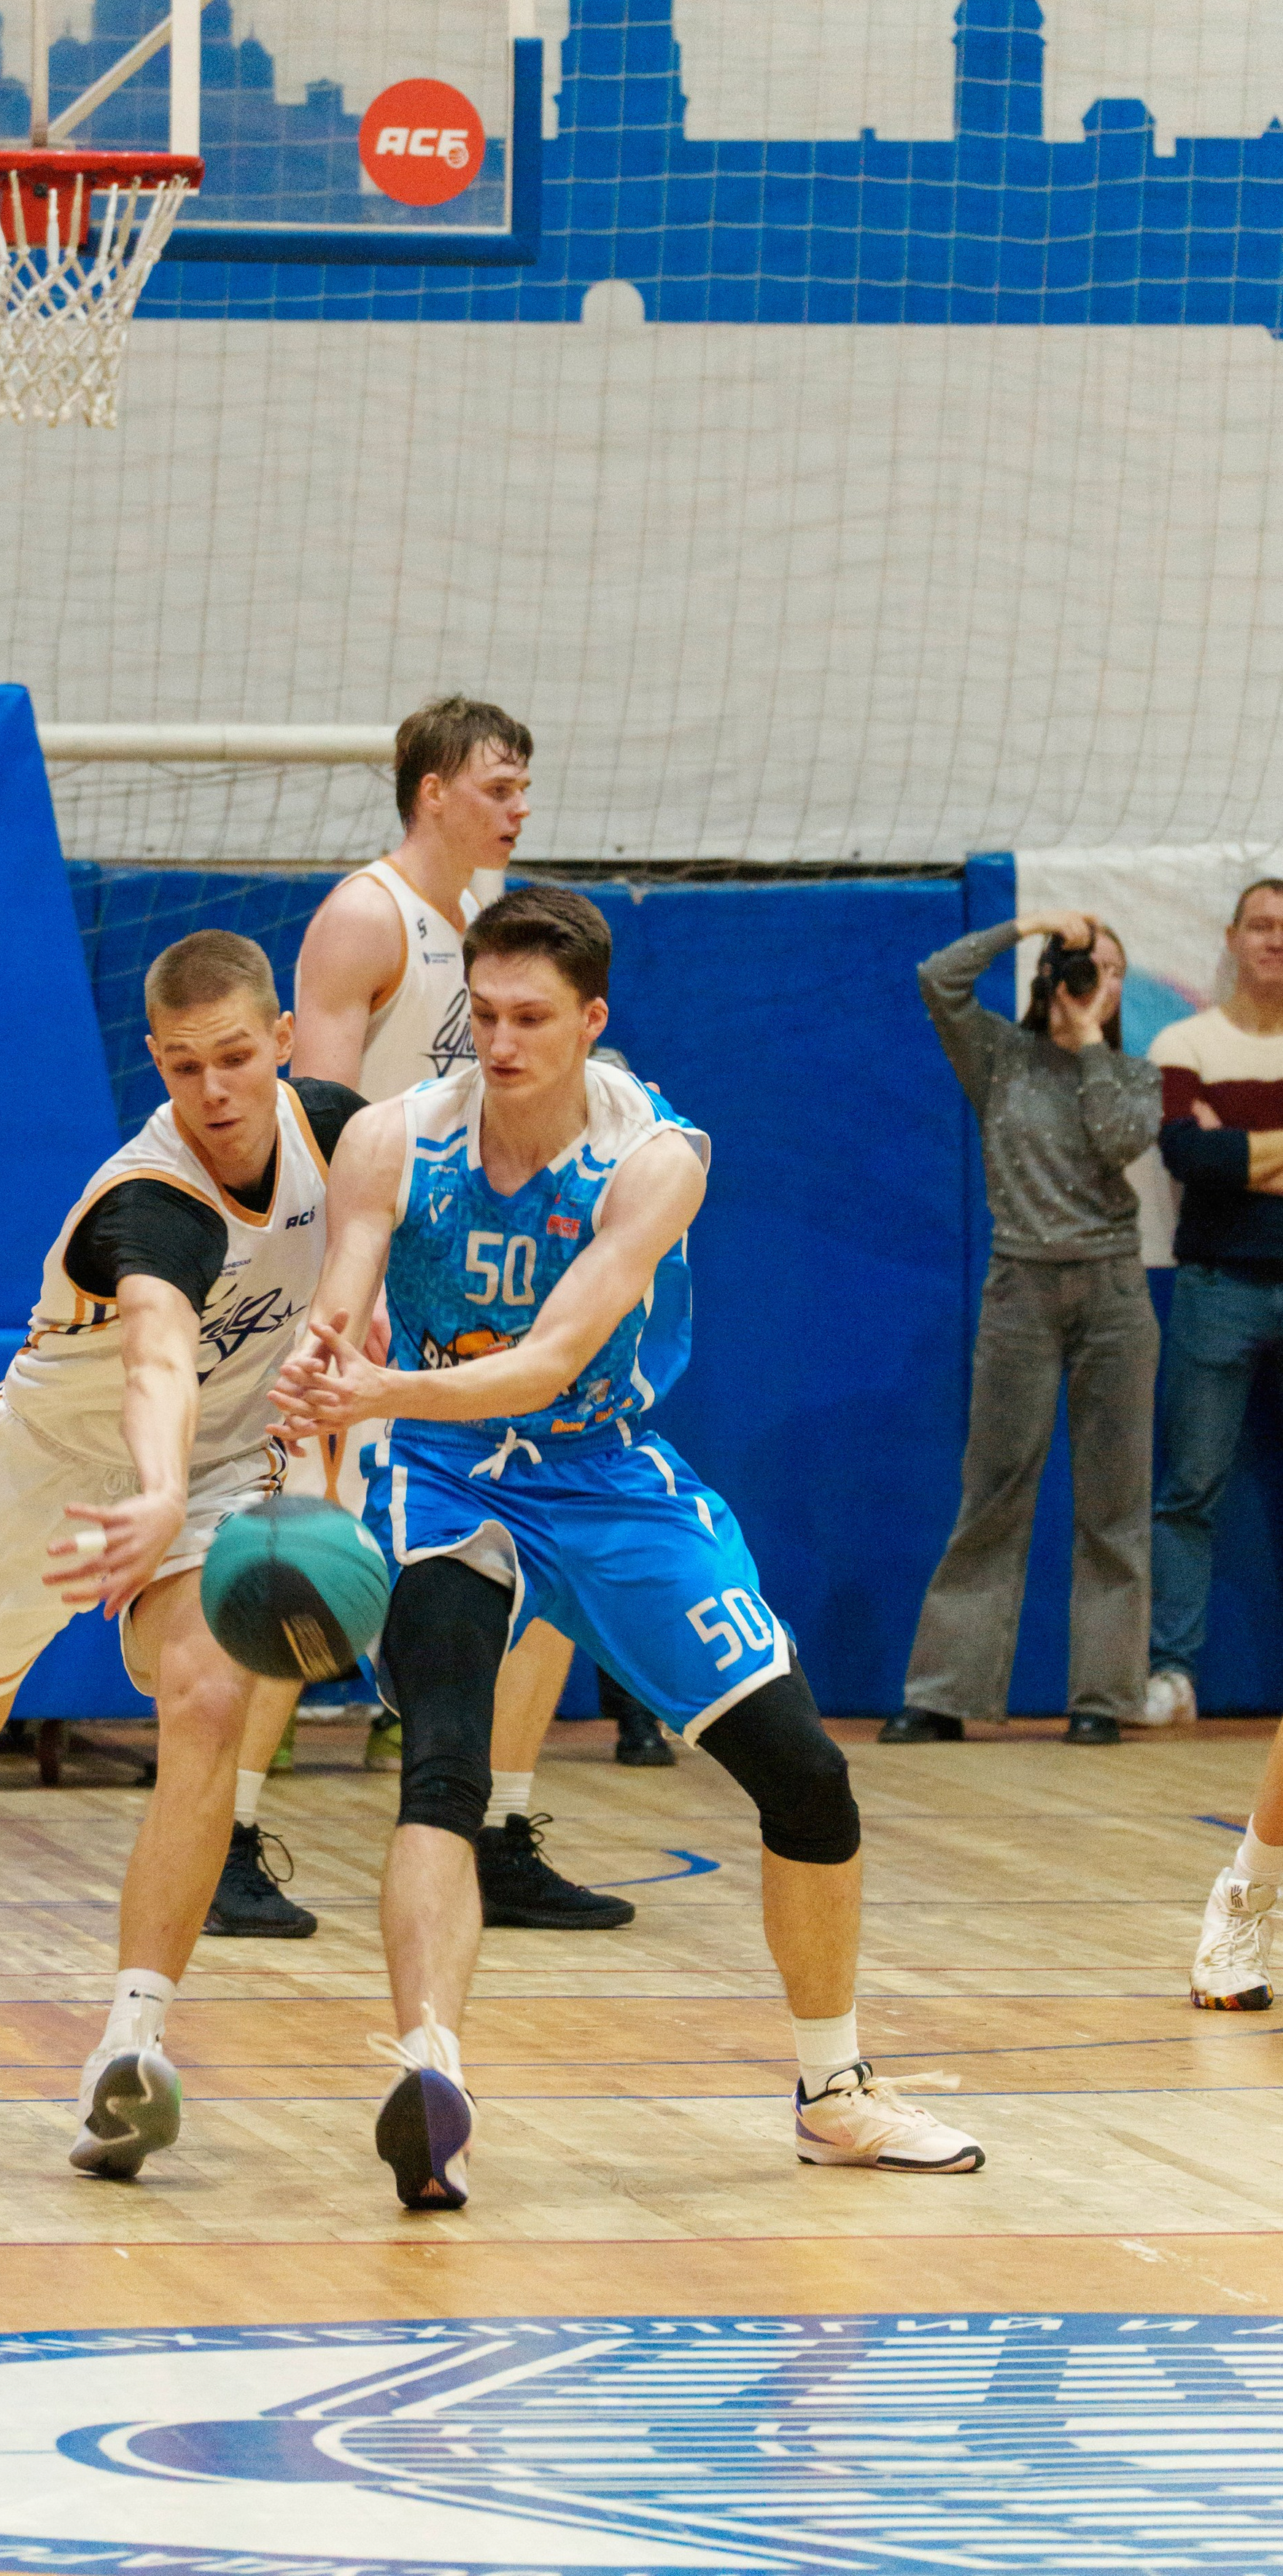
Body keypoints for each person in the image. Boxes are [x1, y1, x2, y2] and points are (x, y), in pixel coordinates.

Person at [274, 884, 985, 2208]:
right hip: (444, 1478)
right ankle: (433, 2079)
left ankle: (832, 2093)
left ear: (592, 1020)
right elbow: (342, 1309)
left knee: (808, 1778)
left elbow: (547, 1365)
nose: (498, 1041)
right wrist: (320, 1413)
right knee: (441, 1764)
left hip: (604, 1477)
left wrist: (375, 1392)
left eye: (530, 1017)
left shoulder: (656, 1157)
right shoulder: (388, 1141)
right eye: (480, 1014)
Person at [0, 930, 365, 2183]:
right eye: (185, 1066)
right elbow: (157, 1354)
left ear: (283, 1041)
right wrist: (156, 1486)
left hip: (222, 1467)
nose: (216, 1090)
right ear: (157, 1066)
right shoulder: (147, 1199)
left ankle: (129, 2049)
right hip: (59, 1469)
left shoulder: (342, 1132)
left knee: (212, 1692)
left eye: (236, 1057)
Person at [206, 695, 642, 1942]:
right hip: (366, 1275)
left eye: (524, 784)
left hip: (467, 1286)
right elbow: (324, 1107)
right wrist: (360, 1290)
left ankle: (496, 1827)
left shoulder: (493, 931)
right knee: (308, 1558)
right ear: (435, 789)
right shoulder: (369, 913)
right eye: (502, 783)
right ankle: (226, 1833)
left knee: (542, 1539)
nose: (521, 805)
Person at [879, 912, 1163, 1748]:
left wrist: (1089, 1047)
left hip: (1114, 1292)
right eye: (1079, 966)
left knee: (1114, 1504)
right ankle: (942, 1694)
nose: (1091, 983)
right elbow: (938, 976)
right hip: (1020, 1290)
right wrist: (1028, 924)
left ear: (1118, 988)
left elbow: (1117, 1142)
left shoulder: (1133, 1074)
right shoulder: (998, 1056)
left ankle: (1102, 1699)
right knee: (994, 1491)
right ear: (1048, 973)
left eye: (1108, 971)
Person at [1144, 876, 1283, 1740]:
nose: (1275, 941)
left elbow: (1221, 1154)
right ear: (1231, 938)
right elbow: (1189, 1158)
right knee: (1190, 1487)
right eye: (1261, 926)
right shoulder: (1183, 1038)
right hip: (1214, 1287)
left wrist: (1239, 1150)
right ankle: (1172, 1673)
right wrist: (1225, 1154)